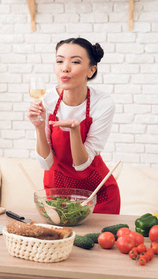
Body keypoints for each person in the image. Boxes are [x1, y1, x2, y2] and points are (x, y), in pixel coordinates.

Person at [28, 37, 120, 214]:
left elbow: (81, 164)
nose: (65, 68)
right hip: (57, 193)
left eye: (75, 61)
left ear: (91, 70)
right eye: (59, 61)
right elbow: (46, 164)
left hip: (97, 194)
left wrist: (74, 131)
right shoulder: (45, 99)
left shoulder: (103, 103)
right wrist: (39, 127)